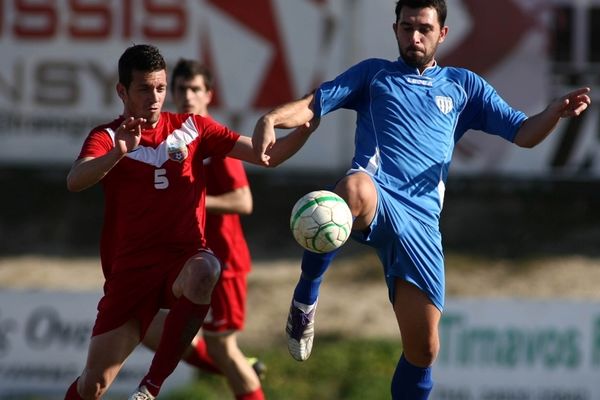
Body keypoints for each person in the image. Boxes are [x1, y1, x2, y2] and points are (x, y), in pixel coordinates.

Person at [251, 0, 592, 399]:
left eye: (424, 28)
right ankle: (306, 296)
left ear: (442, 33)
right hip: (378, 197)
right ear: (395, 28)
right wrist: (271, 119)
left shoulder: (464, 86)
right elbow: (313, 104)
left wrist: (552, 113)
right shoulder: (373, 74)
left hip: (422, 225)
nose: (415, 36)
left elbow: (523, 133)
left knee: (424, 350)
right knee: (352, 188)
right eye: (407, 26)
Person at [64, 44, 313, 400]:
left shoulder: (193, 128)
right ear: (122, 91)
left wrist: (303, 131)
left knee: (205, 269)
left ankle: (151, 386)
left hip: (182, 259)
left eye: (161, 88)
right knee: (94, 385)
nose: (155, 97)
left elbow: (267, 156)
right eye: (144, 88)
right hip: (130, 274)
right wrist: (118, 152)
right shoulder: (107, 136)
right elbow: (75, 180)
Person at [139, 59, 266, 400]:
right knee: (149, 330)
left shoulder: (214, 141)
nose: (188, 96)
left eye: (195, 89)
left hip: (224, 263)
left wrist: (192, 200)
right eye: (180, 89)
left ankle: (240, 373)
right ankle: (241, 368)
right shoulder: (173, 143)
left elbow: (243, 201)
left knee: (222, 348)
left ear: (209, 94)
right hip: (188, 262)